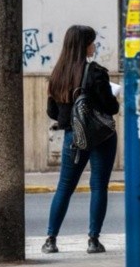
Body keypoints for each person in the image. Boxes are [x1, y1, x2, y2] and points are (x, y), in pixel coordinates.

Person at [42, 25, 119, 255]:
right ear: (84, 45)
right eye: (92, 42)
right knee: (98, 186)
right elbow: (111, 107)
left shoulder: (58, 74)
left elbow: (52, 112)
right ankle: (93, 240)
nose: (94, 46)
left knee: (64, 187)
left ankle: (50, 239)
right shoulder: (96, 73)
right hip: (101, 137)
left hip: (73, 137)